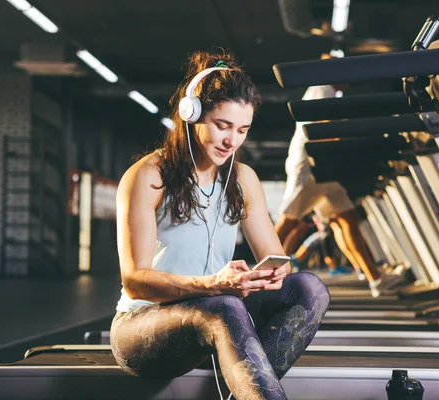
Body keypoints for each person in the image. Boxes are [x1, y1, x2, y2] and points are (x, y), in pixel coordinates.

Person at [110, 49, 330, 400]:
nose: (232, 141)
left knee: (309, 288)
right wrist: (213, 285)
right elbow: (136, 282)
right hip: (142, 329)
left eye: (242, 130)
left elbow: (275, 256)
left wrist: (267, 276)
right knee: (224, 306)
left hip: (214, 317)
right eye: (222, 126)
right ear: (191, 115)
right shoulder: (149, 176)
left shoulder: (242, 179)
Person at [274, 54, 405, 297]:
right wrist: (359, 138)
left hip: (327, 166)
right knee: (289, 221)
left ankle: (375, 279)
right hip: (310, 165)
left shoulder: (332, 93)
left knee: (347, 220)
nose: (349, 79)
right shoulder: (321, 90)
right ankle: (257, 274)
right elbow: (322, 128)